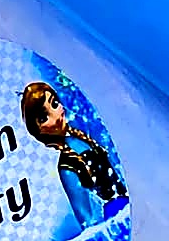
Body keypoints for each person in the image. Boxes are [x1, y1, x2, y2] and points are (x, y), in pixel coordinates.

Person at [20, 81, 128, 230]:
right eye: (44, 118)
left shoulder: (82, 137)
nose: (56, 115)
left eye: (55, 104)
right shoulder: (66, 166)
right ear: (38, 129)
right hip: (115, 214)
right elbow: (86, 218)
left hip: (126, 200)